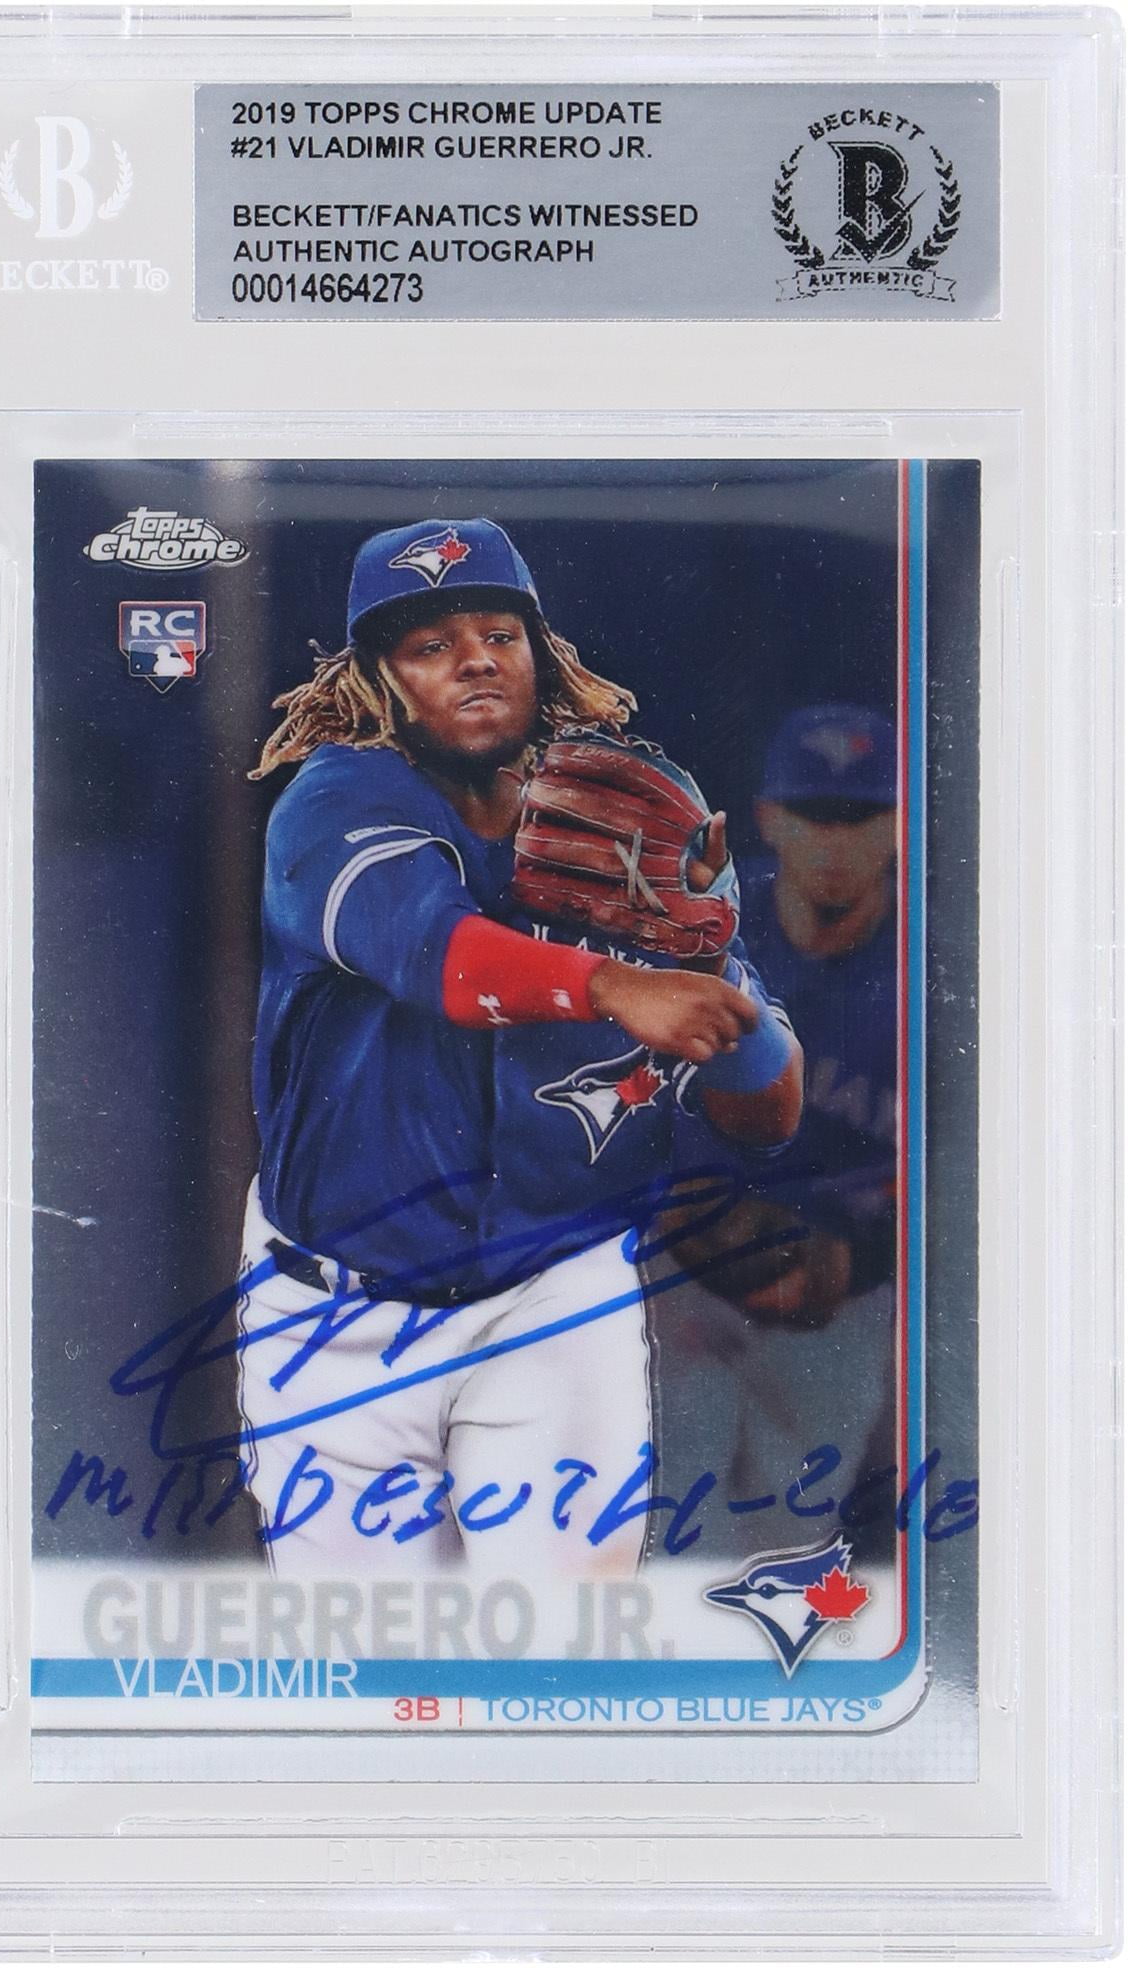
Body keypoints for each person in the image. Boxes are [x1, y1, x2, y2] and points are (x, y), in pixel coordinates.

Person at [236, 518, 802, 1576]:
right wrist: (616, 983)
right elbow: (438, 958)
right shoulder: (334, 802)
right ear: (376, 679)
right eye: (431, 644)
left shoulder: (622, 829)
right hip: (337, 1316)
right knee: (367, 1666)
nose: (476, 660)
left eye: (499, 634)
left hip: (557, 1297)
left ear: (544, 657)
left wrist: (712, 974)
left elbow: (767, 1116)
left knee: (564, 1651)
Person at [653, 703, 898, 1560]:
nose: (835, 843)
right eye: (812, 815)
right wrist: (672, 1212)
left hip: (846, 1287)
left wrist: (864, 1256)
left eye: (861, 817)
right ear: (767, 819)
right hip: (683, 1272)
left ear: (901, 824)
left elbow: (974, 1173)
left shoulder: (939, 963)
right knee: (663, 1526)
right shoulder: (707, 930)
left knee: (788, 1548)